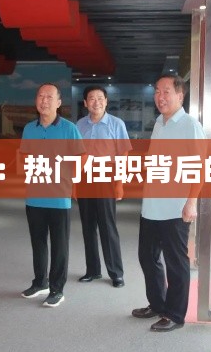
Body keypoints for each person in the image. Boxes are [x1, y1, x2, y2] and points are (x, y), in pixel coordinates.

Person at [131, 74, 205, 332]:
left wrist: (191, 202)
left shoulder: (189, 125)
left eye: (166, 92)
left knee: (175, 262)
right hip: (152, 206)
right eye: (157, 91)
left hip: (175, 207)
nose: (160, 97)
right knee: (147, 257)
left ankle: (174, 314)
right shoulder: (159, 123)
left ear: (180, 96)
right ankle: (158, 304)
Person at [20, 83, 84, 307]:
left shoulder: (69, 129)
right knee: (38, 242)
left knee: (59, 246)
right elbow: (24, 157)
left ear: (58, 103)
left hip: (59, 197)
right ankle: (40, 282)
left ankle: (57, 289)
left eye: (49, 97)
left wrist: (73, 181)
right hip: (34, 196)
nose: (44, 101)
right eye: (40, 96)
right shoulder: (29, 129)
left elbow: (81, 157)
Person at [75, 85, 131, 288]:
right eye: (91, 98)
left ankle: (116, 273)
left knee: (108, 226)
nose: (96, 102)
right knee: (88, 227)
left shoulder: (116, 124)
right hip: (84, 179)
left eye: (100, 98)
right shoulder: (80, 125)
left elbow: (123, 154)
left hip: (106, 178)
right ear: (85, 103)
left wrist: (120, 184)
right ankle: (93, 270)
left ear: (106, 101)